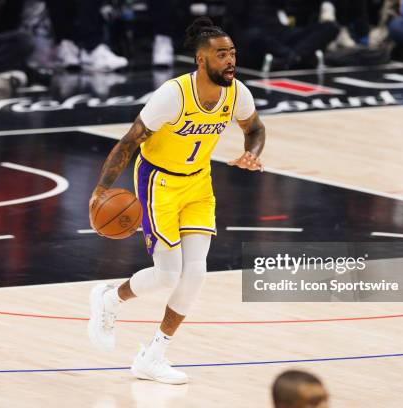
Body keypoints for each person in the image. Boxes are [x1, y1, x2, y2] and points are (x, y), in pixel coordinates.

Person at [87, 16, 266, 384]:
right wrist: (101, 190)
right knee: (168, 275)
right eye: (221, 55)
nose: (230, 60)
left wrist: (253, 152)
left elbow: (255, 128)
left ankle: (153, 355)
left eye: (232, 53)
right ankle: (110, 298)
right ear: (202, 60)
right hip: (158, 183)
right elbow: (129, 141)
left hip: (198, 183)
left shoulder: (237, 93)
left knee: (196, 273)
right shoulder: (173, 95)